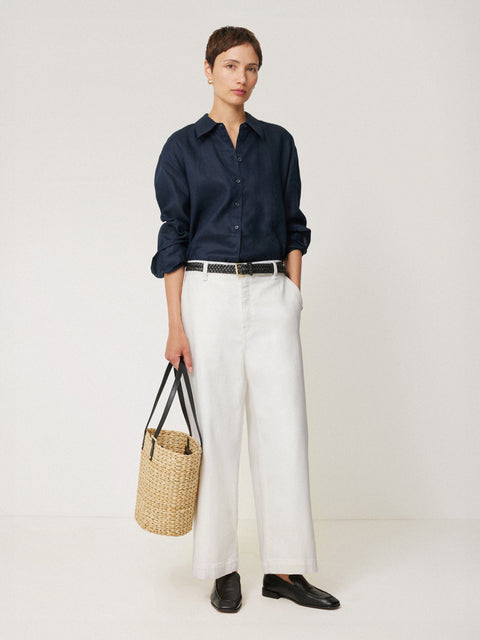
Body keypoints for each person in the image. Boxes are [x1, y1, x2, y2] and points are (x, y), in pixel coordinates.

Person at [150, 25, 340, 613]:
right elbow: (173, 236)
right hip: (206, 295)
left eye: (252, 67)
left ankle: (284, 570)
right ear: (208, 70)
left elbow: (294, 224)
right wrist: (176, 324)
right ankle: (221, 567)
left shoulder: (278, 143)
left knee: (286, 429)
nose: (242, 77)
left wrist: (292, 296)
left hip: (270, 292)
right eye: (231, 65)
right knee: (216, 431)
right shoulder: (182, 148)